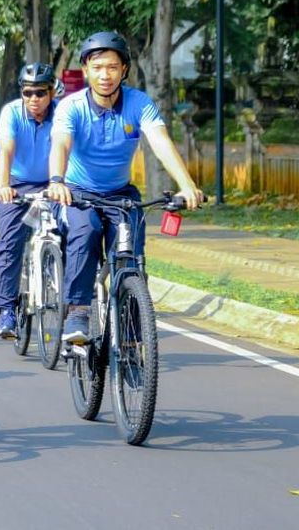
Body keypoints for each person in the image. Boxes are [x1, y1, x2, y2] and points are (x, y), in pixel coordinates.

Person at [47, 31, 203, 344]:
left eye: (113, 67)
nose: (105, 75)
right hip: (77, 194)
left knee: (130, 254)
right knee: (86, 232)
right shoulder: (71, 106)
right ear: (86, 70)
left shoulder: (139, 103)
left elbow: (160, 142)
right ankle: (77, 311)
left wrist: (187, 186)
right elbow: (61, 145)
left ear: (125, 70)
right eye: (98, 67)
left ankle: (131, 334)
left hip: (120, 196)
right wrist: (56, 180)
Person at [0, 63, 61, 339]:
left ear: (51, 92)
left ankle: (69, 299)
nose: (34, 99)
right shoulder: (11, 112)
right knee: (10, 242)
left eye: (40, 93)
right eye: (28, 93)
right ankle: (7, 310)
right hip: (16, 186)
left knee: (71, 234)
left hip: (54, 184)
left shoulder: (61, 114)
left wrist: (61, 183)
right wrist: (4, 185)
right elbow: (6, 150)